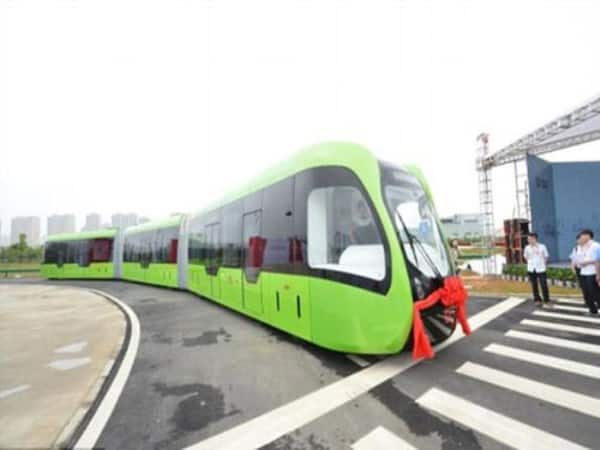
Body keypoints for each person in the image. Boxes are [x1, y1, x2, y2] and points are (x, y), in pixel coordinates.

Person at [575, 229, 600, 315]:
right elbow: (578, 258)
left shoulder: (596, 245)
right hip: (583, 272)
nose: (581, 237)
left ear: (588, 236)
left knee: (595, 292)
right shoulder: (580, 246)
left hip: (592, 272)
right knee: (586, 292)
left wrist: (598, 274)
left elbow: (598, 260)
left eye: (582, 235)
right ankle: (592, 310)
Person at [523, 232, 551, 307]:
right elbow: (525, 257)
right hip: (531, 269)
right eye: (528, 239)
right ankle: (537, 299)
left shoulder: (542, 246)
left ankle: (546, 300)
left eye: (530, 239)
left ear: (535, 239)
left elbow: (546, 256)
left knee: (543, 285)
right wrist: (529, 261)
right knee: (534, 285)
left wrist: (543, 263)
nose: (529, 240)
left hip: (541, 268)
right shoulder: (527, 248)